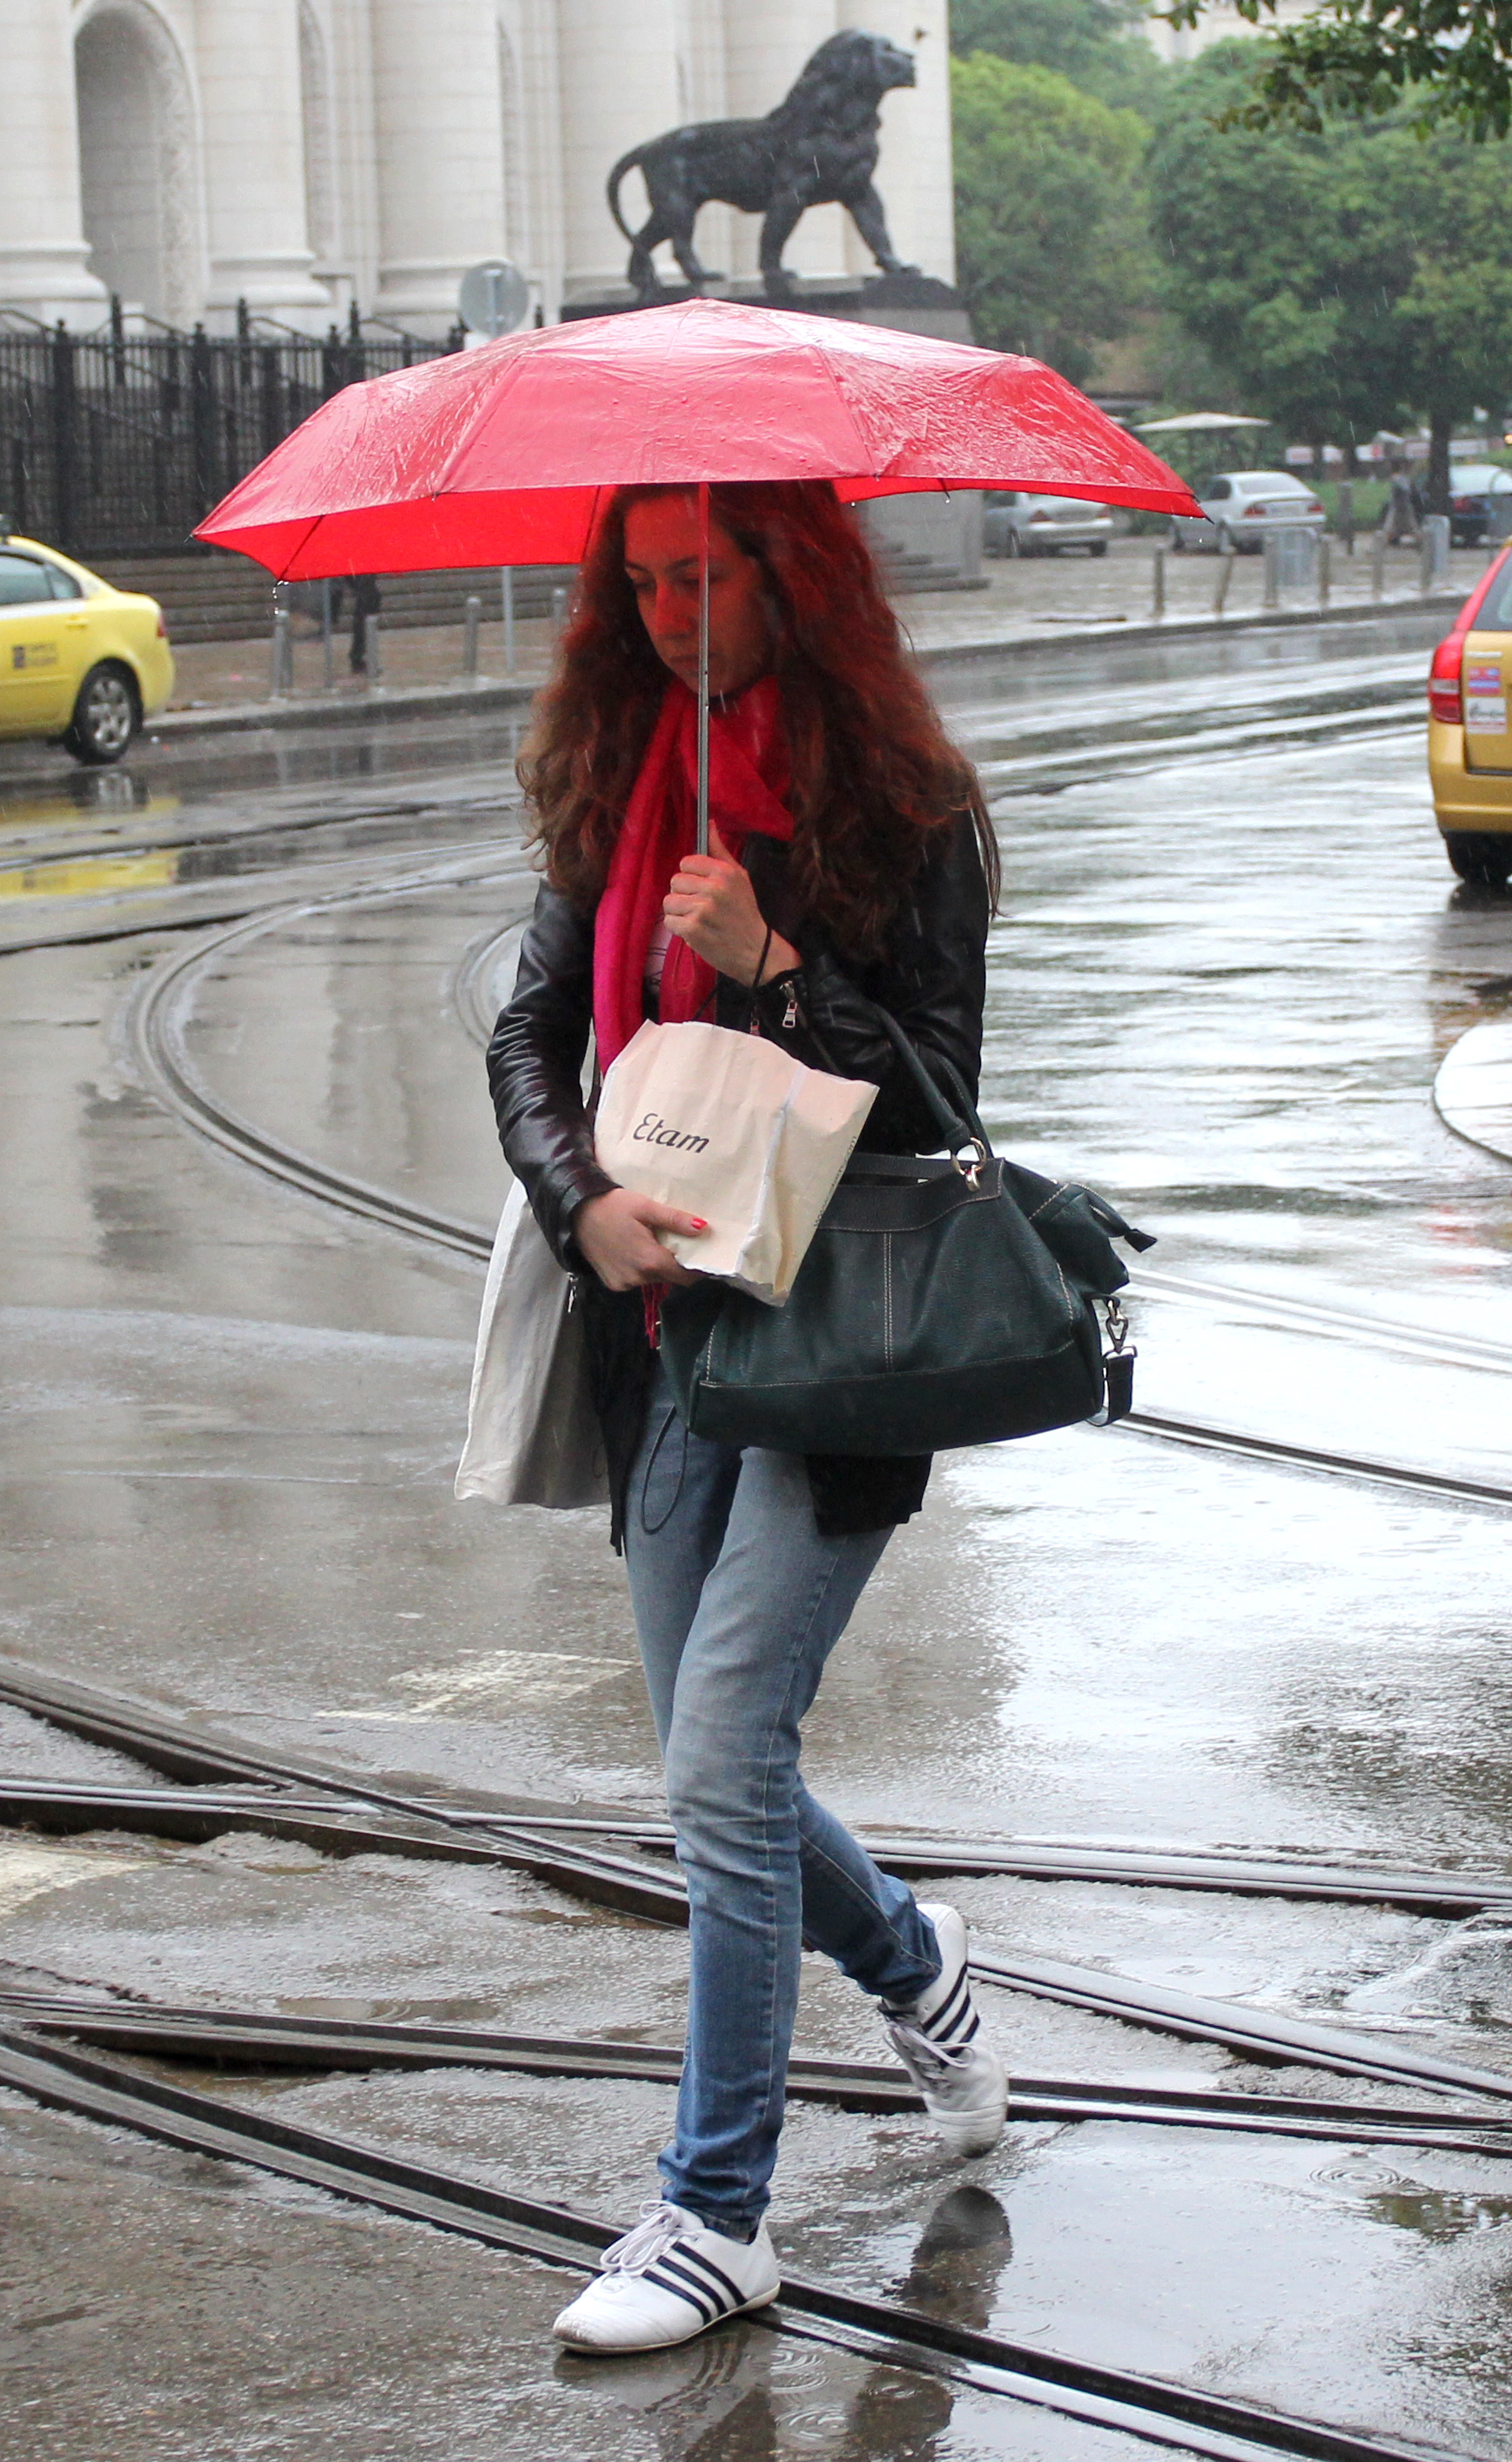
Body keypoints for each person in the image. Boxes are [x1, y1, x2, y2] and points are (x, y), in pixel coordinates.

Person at [487, 478, 1008, 2355]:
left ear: (795, 576)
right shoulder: (621, 774)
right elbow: (529, 1038)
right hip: (660, 1337)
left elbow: (946, 1110)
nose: (671, 614)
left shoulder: (909, 809)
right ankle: (910, 1956)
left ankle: (716, 2213)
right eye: (641, 584)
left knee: (717, 1759)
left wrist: (783, 957)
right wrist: (579, 1201)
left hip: (841, 1346)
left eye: (705, 576)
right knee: (729, 1774)